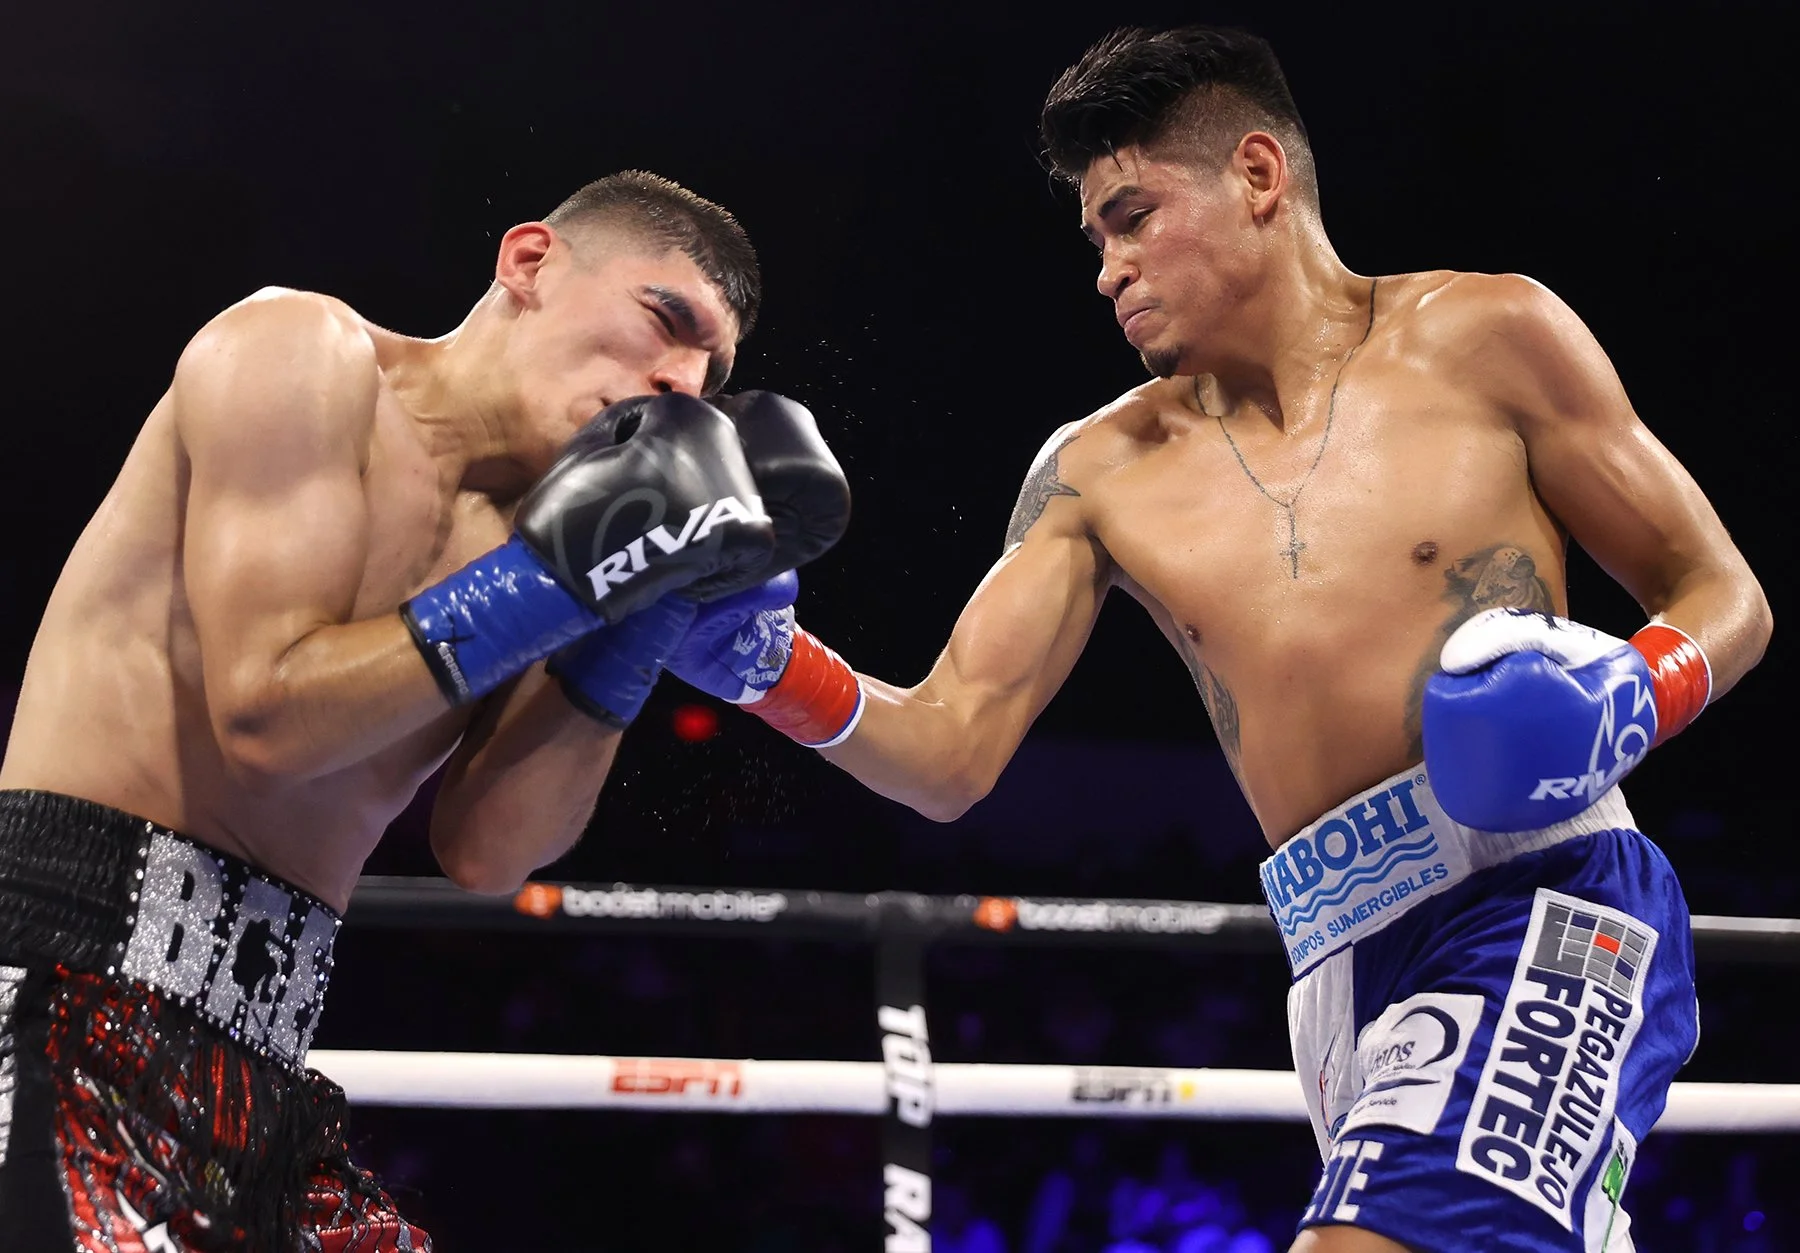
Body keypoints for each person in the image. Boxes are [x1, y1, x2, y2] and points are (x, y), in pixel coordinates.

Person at [657, 27, 1772, 1253]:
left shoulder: (1486, 335)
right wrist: (773, 669)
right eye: (1096, 239)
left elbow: (1722, 592)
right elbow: (948, 751)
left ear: (1257, 174)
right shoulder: (1099, 471)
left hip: (1546, 894)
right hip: (1336, 960)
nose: (1108, 269)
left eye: (1133, 218)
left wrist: (1633, 690)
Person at [0, 169, 849, 1251]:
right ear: (530, 262)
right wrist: (560, 581)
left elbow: (489, 850)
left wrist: (642, 612)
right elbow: (265, 719)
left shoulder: (555, 536)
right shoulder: (300, 355)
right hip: (59, 986)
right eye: (665, 320)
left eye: (710, 372)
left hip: (261, 1064)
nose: (681, 382)